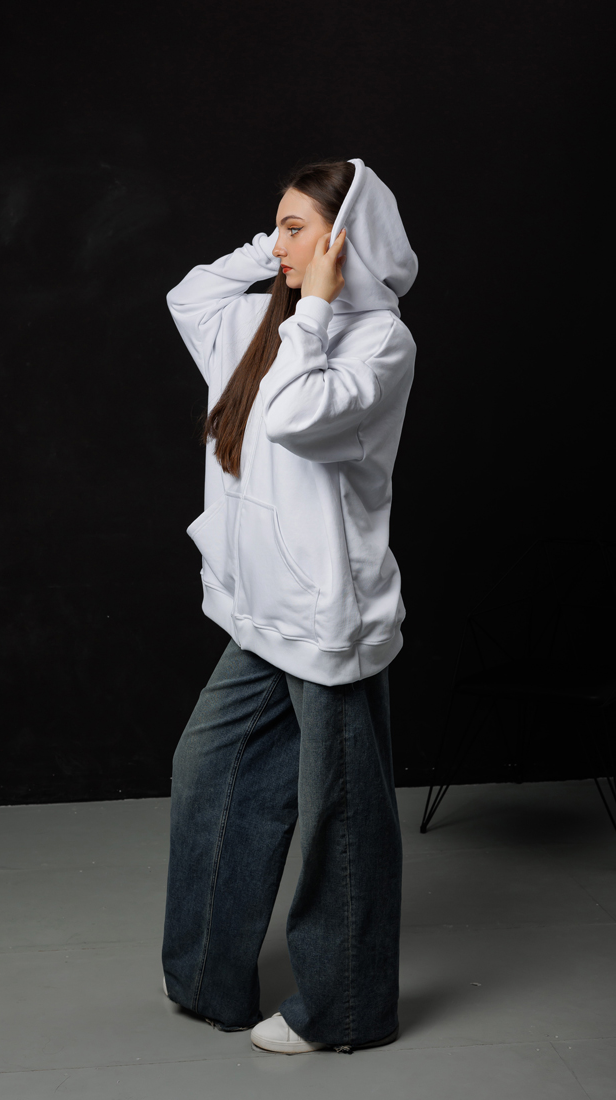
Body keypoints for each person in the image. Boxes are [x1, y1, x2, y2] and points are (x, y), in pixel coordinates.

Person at [161, 157, 418, 1055]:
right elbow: (189, 295)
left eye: (296, 228)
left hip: (325, 618)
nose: (277, 243)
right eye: (273, 225)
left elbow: (294, 418)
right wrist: (275, 261)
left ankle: (345, 1011)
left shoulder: (379, 344)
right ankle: (208, 979)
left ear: (344, 242)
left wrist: (313, 306)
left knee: (341, 820)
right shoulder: (254, 320)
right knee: (209, 775)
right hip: (257, 613)